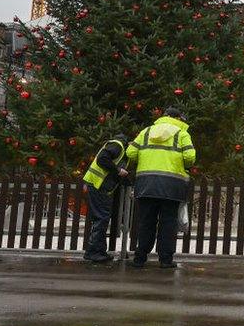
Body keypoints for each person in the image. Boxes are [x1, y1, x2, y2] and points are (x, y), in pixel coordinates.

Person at [126, 107, 195, 268]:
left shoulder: (146, 131)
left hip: (146, 184)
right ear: (178, 118)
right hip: (172, 185)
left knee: (146, 221)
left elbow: (131, 153)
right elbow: (190, 157)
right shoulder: (181, 134)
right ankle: (165, 260)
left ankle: (140, 258)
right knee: (168, 222)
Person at [83, 134, 130, 263]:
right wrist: (118, 170)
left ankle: (99, 251)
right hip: (98, 185)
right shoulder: (117, 145)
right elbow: (102, 159)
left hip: (98, 185)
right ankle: (93, 252)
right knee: (101, 217)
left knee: (101, 218)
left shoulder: (117, 147)